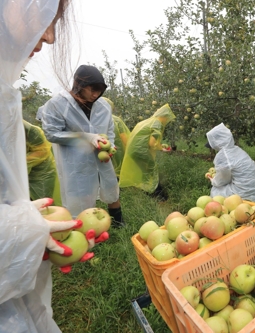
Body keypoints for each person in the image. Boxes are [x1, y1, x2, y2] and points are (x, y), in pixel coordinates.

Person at [0, 1, 105, 332]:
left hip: (98, 165)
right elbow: (52, 134)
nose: (49, 35)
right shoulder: (55, 104)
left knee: (88, 209)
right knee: (75, 202)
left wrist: (20, 228)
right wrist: (83, 139)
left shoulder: (6, 95)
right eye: (44, 13)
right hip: (72, 165)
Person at [41, 64, 125, 227]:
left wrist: (111, 146)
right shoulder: (58, 104)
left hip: (101, 157)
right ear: (79, 85)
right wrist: (87, 137)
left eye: (100, 91)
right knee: (79, 194)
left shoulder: (103, 106)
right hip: (75, 161)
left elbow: (109, 130)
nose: (96, 95)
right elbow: (52, 133)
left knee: (110, 185)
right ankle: (82, 229)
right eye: (92, 89)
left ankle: (118, 222)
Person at [119, 104, 176, 200]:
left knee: (145, 172)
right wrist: (162, 149)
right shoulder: (157, 123)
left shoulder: (148, 121)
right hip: (142, 151)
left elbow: (146, 140)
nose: (167, 121)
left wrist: (160, 146)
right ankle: (158, 195)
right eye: (167, 119)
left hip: (134, 151)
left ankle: (146, 192)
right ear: (164, 116)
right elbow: (151, 143)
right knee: (151, 171)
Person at [206, 123, 255, 203]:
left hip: (244, 191)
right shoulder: (236, 149)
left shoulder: (223, 156)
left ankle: (222, 208)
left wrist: (213, 180)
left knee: (216, 191)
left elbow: (222, 180)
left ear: (217, 143)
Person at [24, 119, 63, 206]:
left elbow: (42, 151)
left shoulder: (31, 131)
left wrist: (19, 163)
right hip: (21, 173)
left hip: (41, 173)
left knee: (44, 203)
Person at [101, 97, 131, 179]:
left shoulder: (96, 120)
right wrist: (129, 150)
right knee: (118, 167)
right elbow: (123, 136)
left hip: (101, 148)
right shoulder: (116, 120)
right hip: (117, 149)